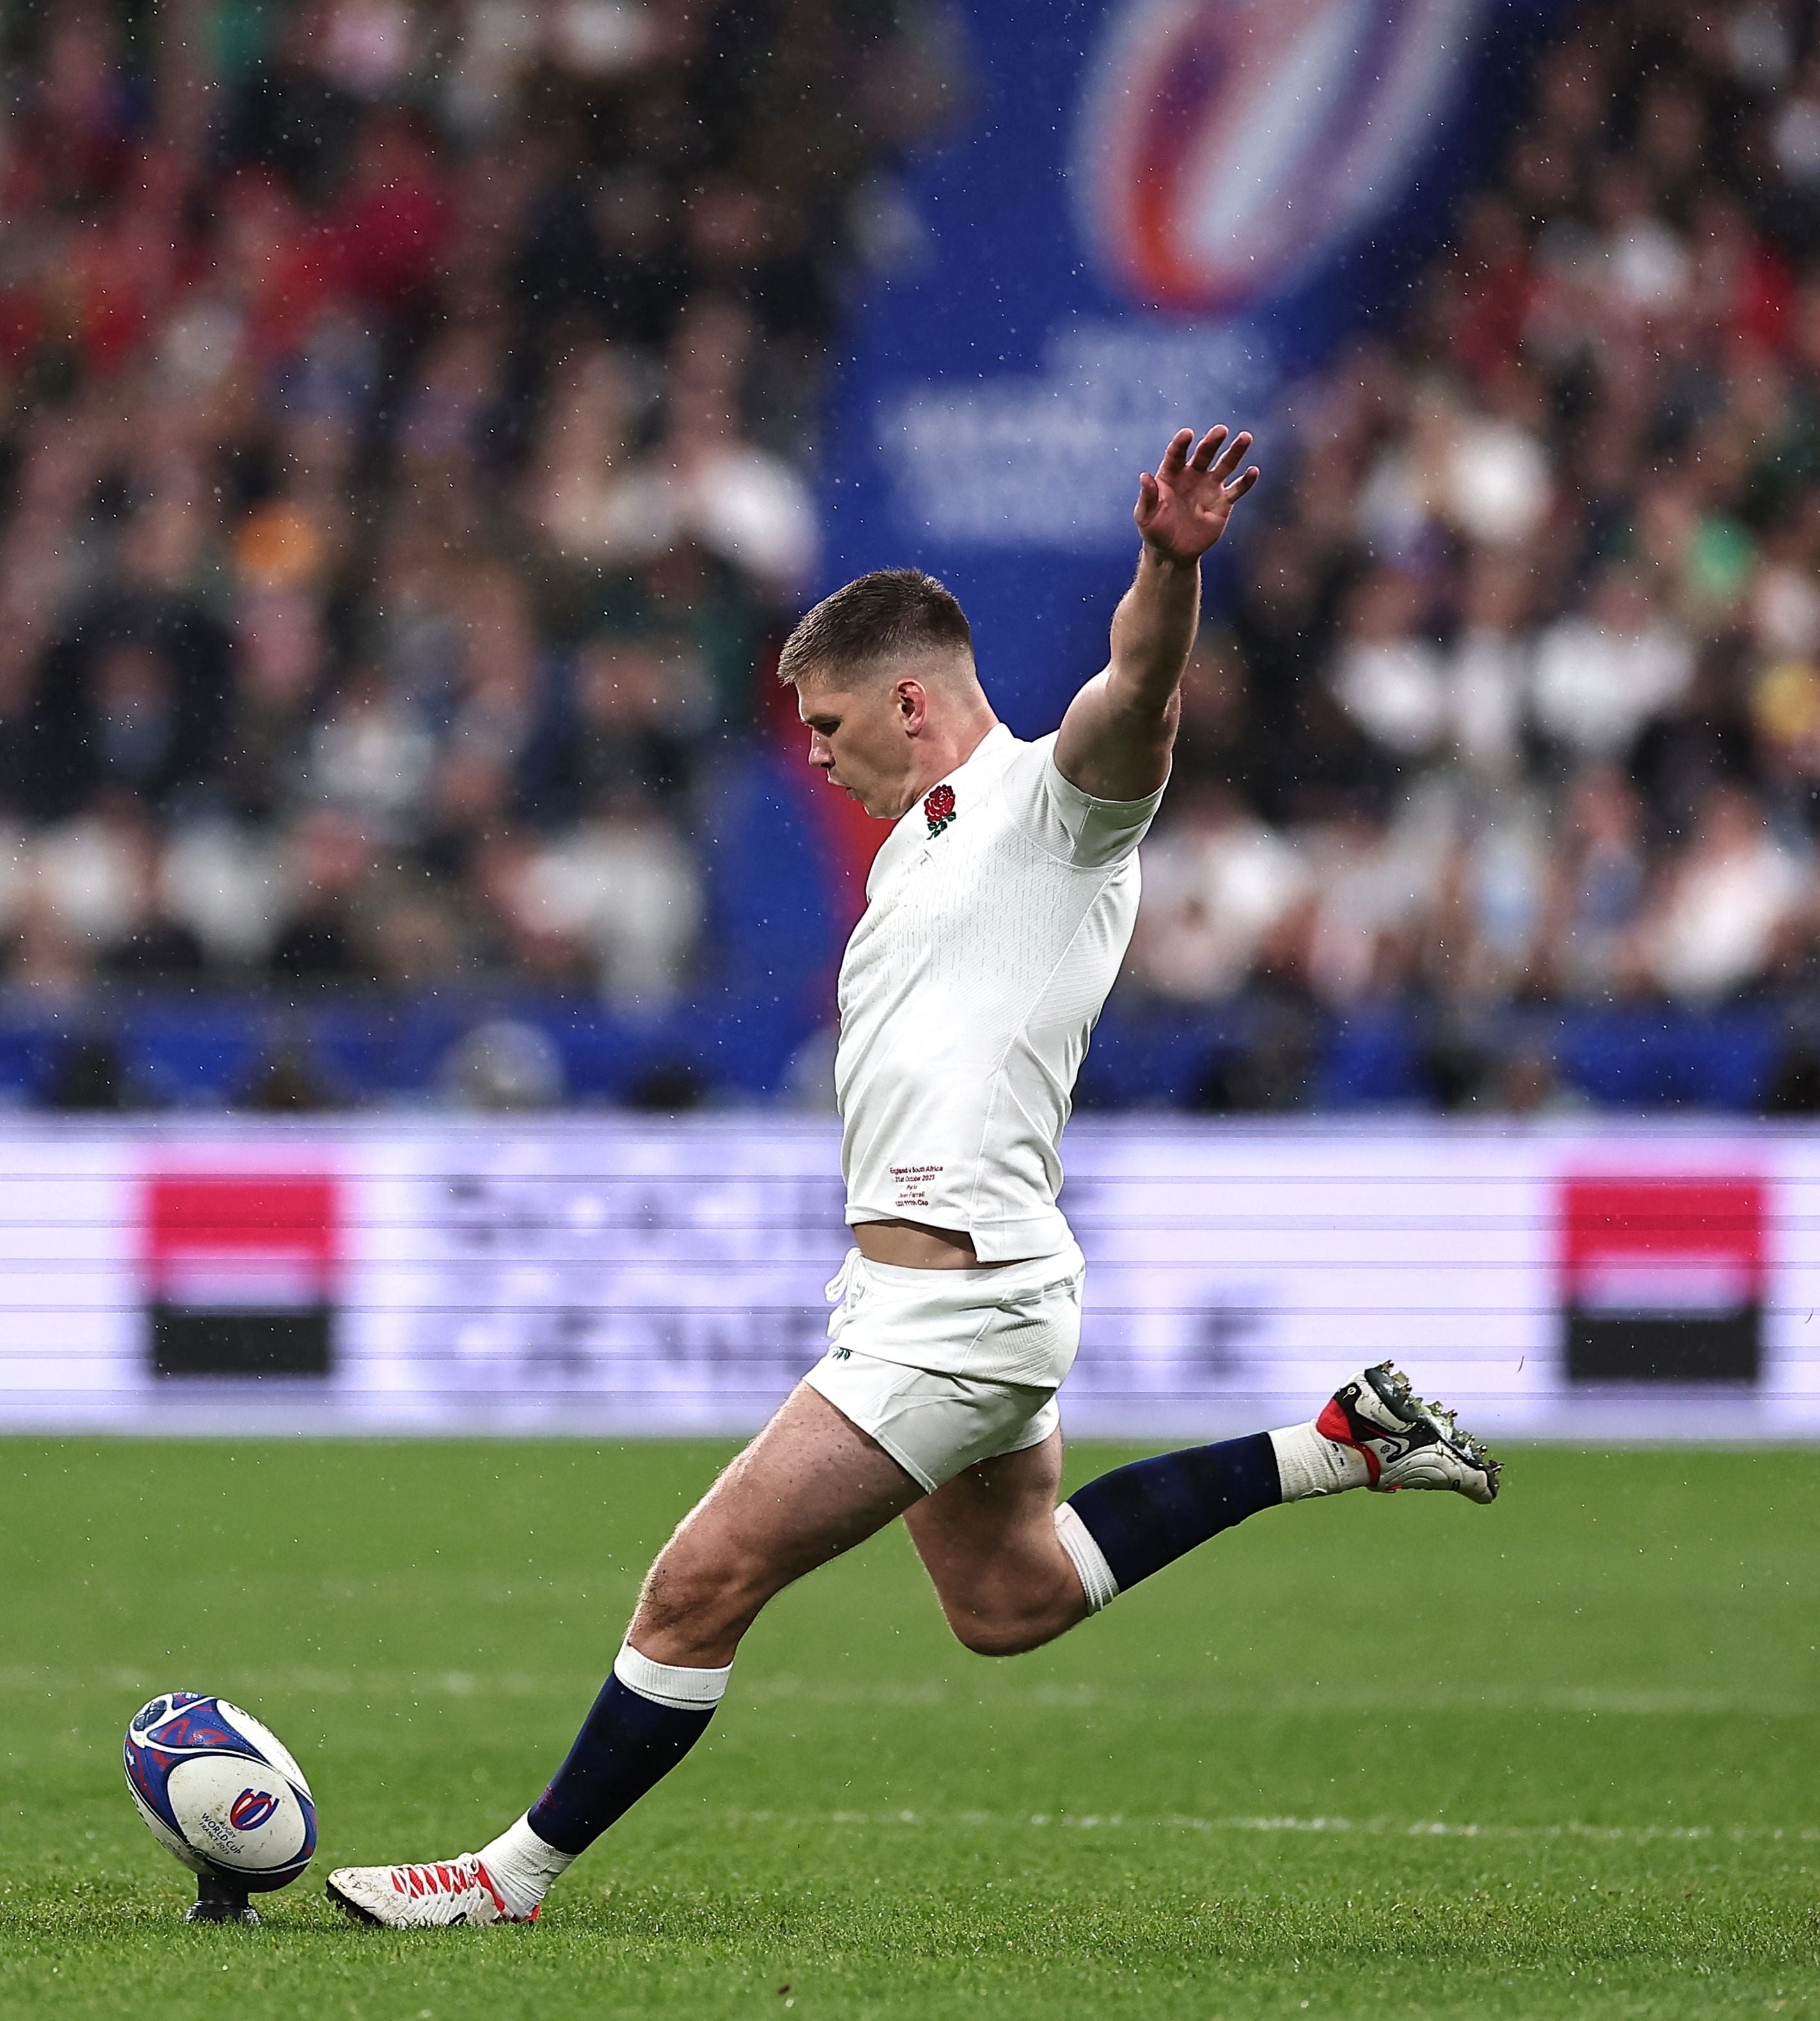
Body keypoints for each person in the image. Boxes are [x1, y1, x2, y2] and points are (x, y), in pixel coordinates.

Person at [326, 426, 1503, 1929]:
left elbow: (1133, 695)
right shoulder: (912, 852)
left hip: (955, 1306)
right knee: (1006, 1599)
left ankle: (508, 1877)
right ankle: (1333, 1440)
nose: (811, 753)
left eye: (824, 723)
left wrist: (1163, 566)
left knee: (697, 1580)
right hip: (933, 1286)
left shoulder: (1049, 810)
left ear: (904, 698)